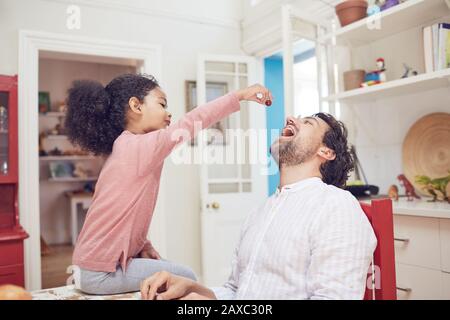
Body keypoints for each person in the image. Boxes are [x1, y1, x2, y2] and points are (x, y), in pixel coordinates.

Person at [65, 73, 272, 295]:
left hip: (90, 266)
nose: (169, 112)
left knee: (167, 277)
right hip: (101, 272)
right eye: (162, 104)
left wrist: (143, 245)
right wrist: (239, 95)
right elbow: (191, 122)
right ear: (136, 105)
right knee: (185, 278)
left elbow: (120, 213)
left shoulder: (124, 147)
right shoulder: (139, 147)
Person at [140, 112, 377, 300]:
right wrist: (193, 289)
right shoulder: (260, 212)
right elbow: (236, 291)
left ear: (326, 151)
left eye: (307, 122)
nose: (290, 119)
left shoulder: (337, 206)